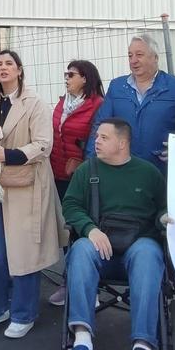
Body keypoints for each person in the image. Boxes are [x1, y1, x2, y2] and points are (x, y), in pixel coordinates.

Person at [62, 118, 167, 350]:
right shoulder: (88, 170)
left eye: (104, 137)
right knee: (81, 250)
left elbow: (164, 209)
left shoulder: (149, 173)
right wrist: (90, 229)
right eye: (97, 136)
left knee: (148, 253)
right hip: (101, 246)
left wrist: (165, 217)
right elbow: (71, 205)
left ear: (122, 143)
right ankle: (82, 339)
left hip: (138, 247)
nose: (96, 141)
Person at [0, 50, 62, 339]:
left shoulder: (35, 103)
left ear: (20, 70)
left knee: (24, 253)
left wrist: (8, 153)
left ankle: (24, 313)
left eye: (8, 64)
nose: (3, 68)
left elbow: (43, 145)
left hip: (26, 185)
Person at [87, 33, 175, 171]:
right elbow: (100, 124)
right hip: (122, 169)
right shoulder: (117, 87)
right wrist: (92, 163)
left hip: (162, 171)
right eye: (130, 55)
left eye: (139, 55)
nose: (133, 60)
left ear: (155, 58)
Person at [47, 59, 104, 307]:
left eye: (71, 74)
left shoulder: (97, 105)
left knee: (82, 227)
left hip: (83, 177)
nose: (67, 78)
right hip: (58, 174)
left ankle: (86, 283)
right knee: (66, 228)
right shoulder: (62, 103)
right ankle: (69, 280)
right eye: (66, 73)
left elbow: (96, 140)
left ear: (85, 78)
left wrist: (81, 162)